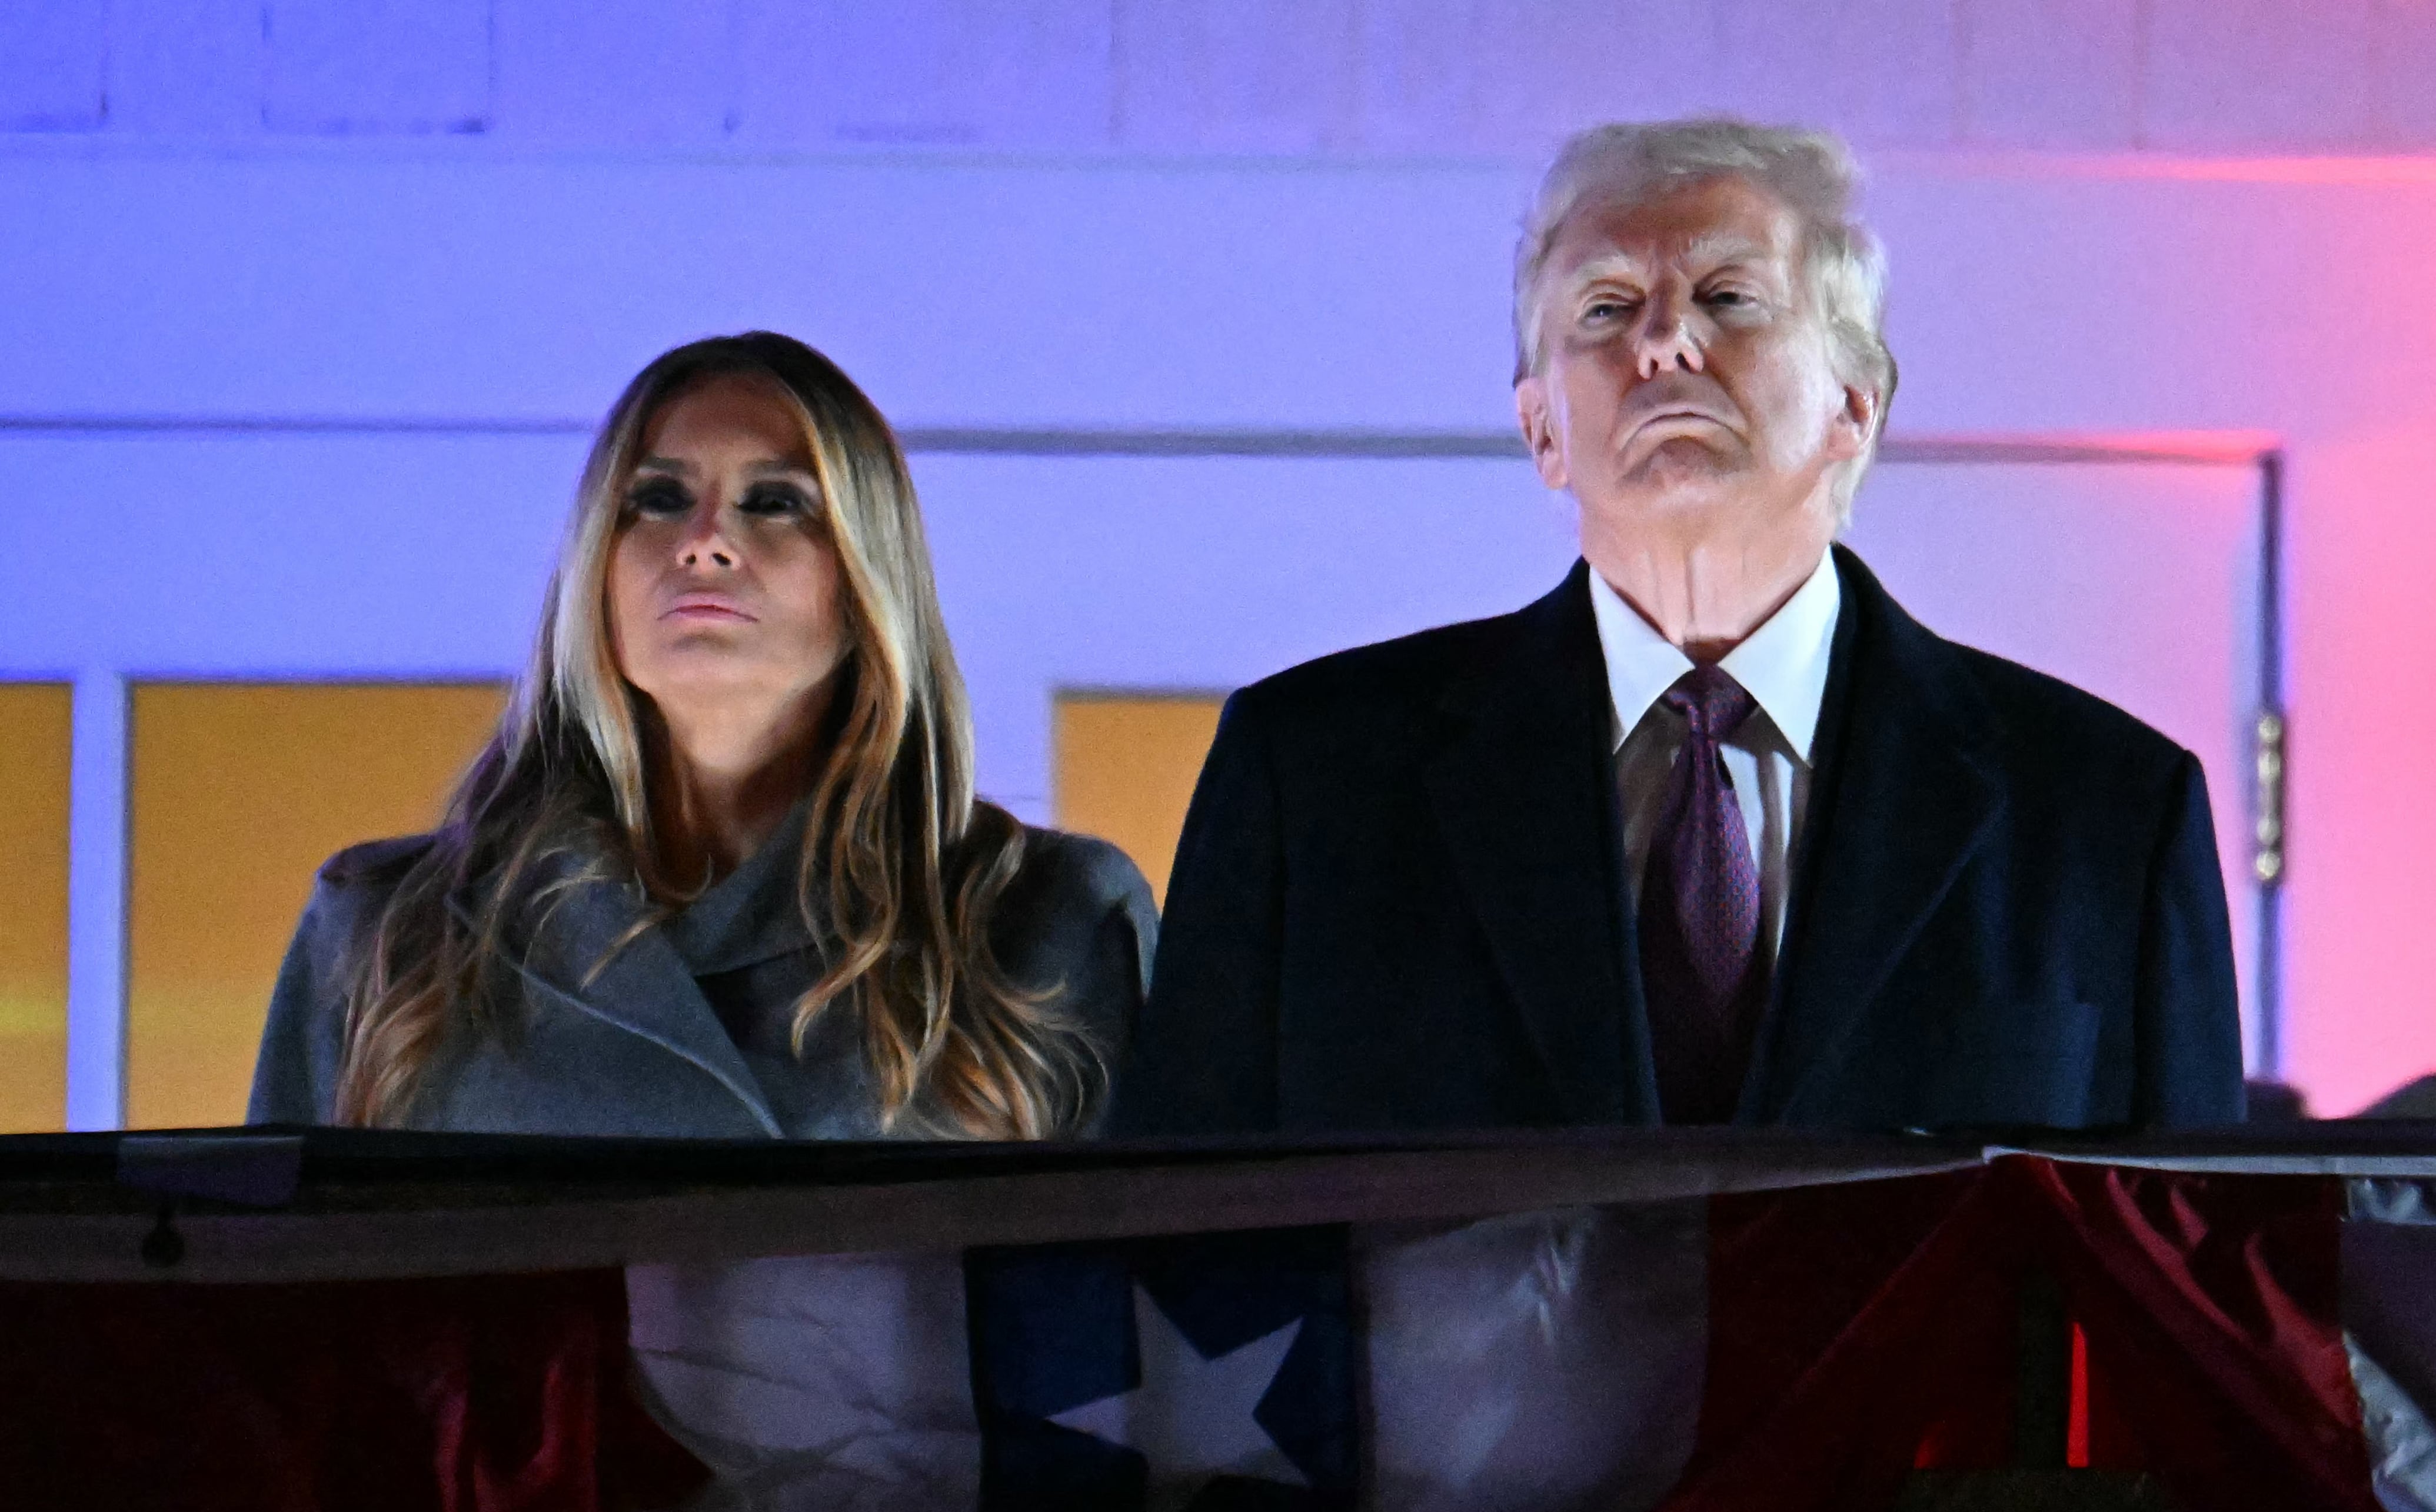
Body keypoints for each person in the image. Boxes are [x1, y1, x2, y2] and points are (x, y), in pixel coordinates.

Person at [1110, 119, 2243, 1136]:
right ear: (1542, 430)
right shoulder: (1310, 776)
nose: (1662, 344)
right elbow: (1186, 1246)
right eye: (1605, 309)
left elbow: (2200, 1261)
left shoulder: (2107, 809)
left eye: (1727, 297)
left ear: (1856, 403)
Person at [251, 332, 1156, 1139]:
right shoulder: (386, 932)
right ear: (595, 570)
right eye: (657, 498)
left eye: (775, 501)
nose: (706, 541)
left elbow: (1134, 1267)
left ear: (866, 583)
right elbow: (284, 1267)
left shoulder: (1044, 921)